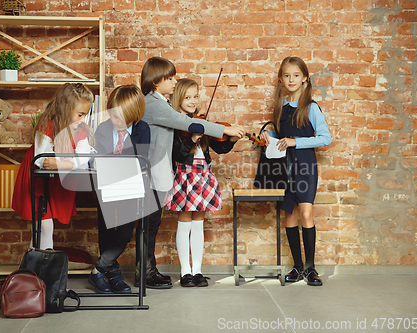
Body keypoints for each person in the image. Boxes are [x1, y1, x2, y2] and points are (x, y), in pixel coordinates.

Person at [138, 56, 245, 289]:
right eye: (170, 78)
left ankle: (155, 270)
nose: (174, 81)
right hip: (163, 173)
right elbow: (184, 132)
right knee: (150, 224)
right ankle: (152, 272)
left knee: (154, 224)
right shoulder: (155, 104)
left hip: (187, 175)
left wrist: (229, 137)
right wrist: (223, 128)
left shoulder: (161, 103)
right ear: (156, 81)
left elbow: (218, 145)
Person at [260, 57, 332, 286]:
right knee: (289, 215)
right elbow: (281, 139)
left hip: (305, 167)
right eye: (287, 75)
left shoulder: (311, 107)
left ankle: (311, 268)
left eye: (296, 75)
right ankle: (297, 266)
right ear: (281, 80)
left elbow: (325, 138)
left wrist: (295, 142)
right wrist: (269, 137)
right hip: (283, 169)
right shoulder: (280, 109)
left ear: (305, 79)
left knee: (306, 214)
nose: (291, 80)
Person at [166, 79, 240, 287]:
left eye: (195, 96)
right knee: (184, 223)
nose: (192, 101)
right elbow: (178, 155)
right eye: (187, 97)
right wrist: (191, 138)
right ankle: (185, 272)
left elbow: (221, 149)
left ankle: (197, 271)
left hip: (203, 176)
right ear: (177, 99)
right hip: (184, 176)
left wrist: (232, 138)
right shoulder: (175, 125)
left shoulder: (202, 124)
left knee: (198, 224)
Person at [12, 83, 94, 250]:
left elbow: (84, 157)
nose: (83, 120)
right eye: (80, 114)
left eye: (85, 115)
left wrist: (63, 164)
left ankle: (34, 266)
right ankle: (40, 268)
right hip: (37, 179)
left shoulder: (81, 129)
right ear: (65, 107)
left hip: (55, 179)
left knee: (43, 226)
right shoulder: (46, 124)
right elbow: (44, 161)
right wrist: (65, 164)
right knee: (44, 225)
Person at [87, 85, 150, 294]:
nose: (117, 121)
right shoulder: (103, 128)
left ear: (135, 114)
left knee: (124, 232)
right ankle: (112, 273)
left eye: (123, 117)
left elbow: (142, 161)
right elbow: (96, 156)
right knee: (105, 230)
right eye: (114, 115)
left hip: (130, 188)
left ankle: (98, 270)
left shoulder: (143, 130)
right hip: (105, 185)